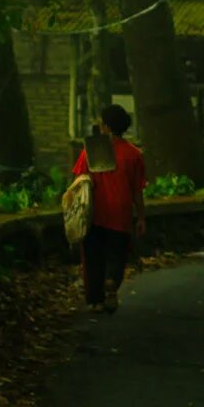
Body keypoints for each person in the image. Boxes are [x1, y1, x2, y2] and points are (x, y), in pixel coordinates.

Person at [70, 104, 147, 314]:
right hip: (120, 213)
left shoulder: (91, 150)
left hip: (95, 213)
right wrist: (141, 217)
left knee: (93, 257)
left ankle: (95, 301)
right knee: (117, 254)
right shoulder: (134, 154)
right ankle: (112, 280)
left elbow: (79, 181)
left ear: (104, 126)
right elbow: (137, 190)